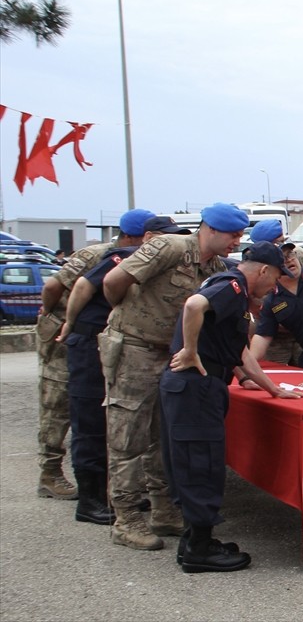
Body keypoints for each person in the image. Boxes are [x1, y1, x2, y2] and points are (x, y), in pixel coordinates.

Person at [101, 203, 246, 550]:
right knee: (128, 435)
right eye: (233, 234)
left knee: (163, 437)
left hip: (173, 356)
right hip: (135, 348)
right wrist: (128, 316)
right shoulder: (170, 247)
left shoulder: (216, 268)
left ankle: (164, 510)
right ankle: (126, 519)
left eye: (240, 235)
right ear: (210, 229)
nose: (237, 242)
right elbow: (113, 281)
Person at [161, 241, 300, 573]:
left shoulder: (229, 288)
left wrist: (272, 389)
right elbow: (193, 305)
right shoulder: (232, 286)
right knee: (201, 463)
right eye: (275, 277)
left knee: (194, 462)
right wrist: (190, 350)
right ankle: (199, 549)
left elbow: (241, 352)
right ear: (263, 270)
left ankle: (194, 540)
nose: (275, 286)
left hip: (197, 386)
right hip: (196, 386)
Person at [56, 215, 185, 525]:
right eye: (166, 236)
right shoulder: (126, 257)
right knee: (93, 420)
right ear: (147, 237)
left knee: (137, 427)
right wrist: (70, 323)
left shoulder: (166, 263)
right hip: (93, 340)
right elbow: (84, 285)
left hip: (123, 345)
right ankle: (90, 500)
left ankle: (124, 497)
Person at [34, 209, 154, 503]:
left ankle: (105, 482)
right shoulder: (97, 254)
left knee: (96, 409)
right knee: (59, 404)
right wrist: (52, 313)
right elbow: (52, 286)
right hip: (67, 335)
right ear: (134, 237)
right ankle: (50, 473)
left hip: (98, 338)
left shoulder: (136, 258)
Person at [249, 244, 303, 370]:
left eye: (291, 254)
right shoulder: (272, 300)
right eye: (283, 258)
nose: (289, 260)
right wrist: (247, 365)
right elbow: (263, 335)